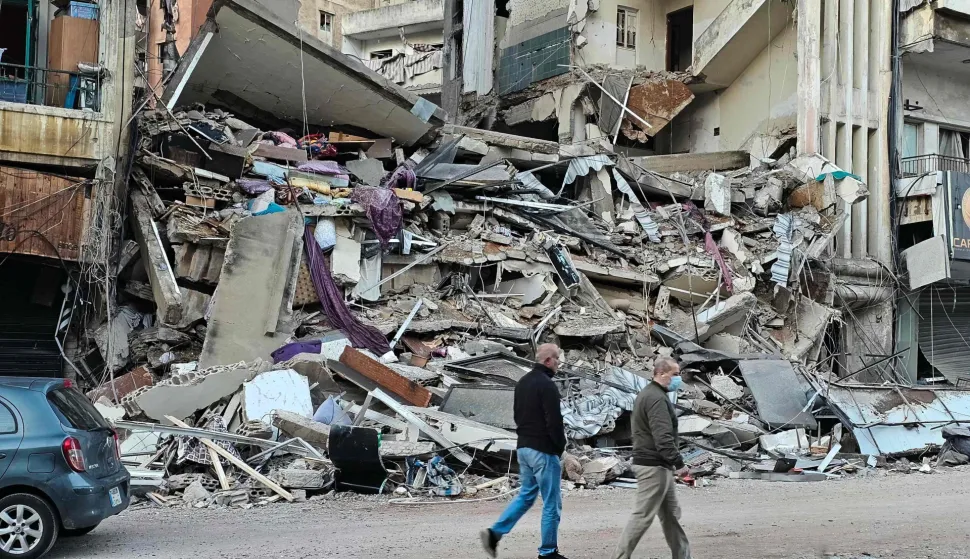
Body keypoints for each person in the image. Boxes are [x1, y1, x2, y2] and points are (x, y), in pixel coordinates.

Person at [481, 343, 568, 559]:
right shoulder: (547, 385)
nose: (558, 363)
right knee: (551, 502)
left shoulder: (523, 383)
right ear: (548, 360)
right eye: (557, 359)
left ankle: (495, 533)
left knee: (526, 495)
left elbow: (517, 415)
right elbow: (554, 421)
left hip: (524, 448)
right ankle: (548, 552)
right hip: (543, 451)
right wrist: (559, 447)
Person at [610, 356, 691, 559]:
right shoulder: (656, 398)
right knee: (642, 516)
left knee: (671, 515)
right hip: (653, 466)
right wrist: (679, 464)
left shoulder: (652, 394)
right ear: (660, 373)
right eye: (675, 374)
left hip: (659, 465)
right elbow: (663, 438)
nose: (678, 379)